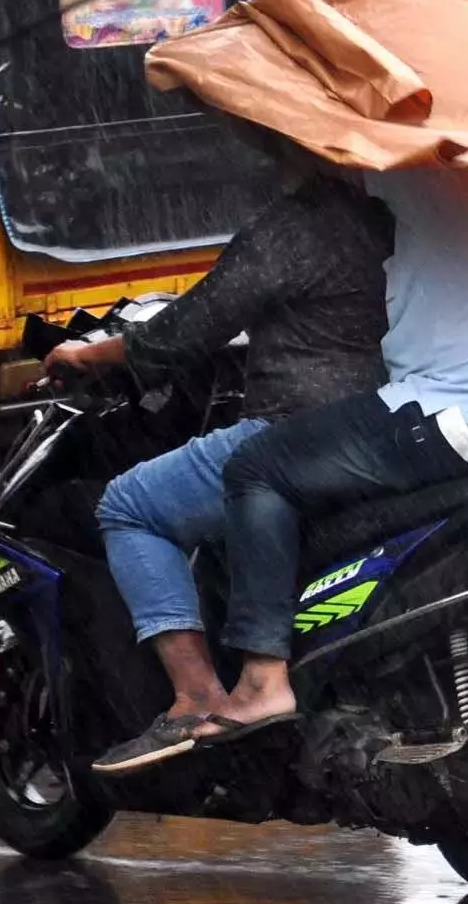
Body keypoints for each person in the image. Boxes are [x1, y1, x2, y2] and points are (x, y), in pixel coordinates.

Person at [175, 155, 468, 750]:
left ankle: (262, 679)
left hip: (467, 419)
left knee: (259, 469)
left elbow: (314, 148)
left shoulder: (420, 165)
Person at [59, 129, 393, 774]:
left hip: (292, 427)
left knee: (130, 505)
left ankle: (194, 696)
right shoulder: (397, 221)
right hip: (380, 422)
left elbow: (185, 331)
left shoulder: (297, 228)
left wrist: (88, 355)